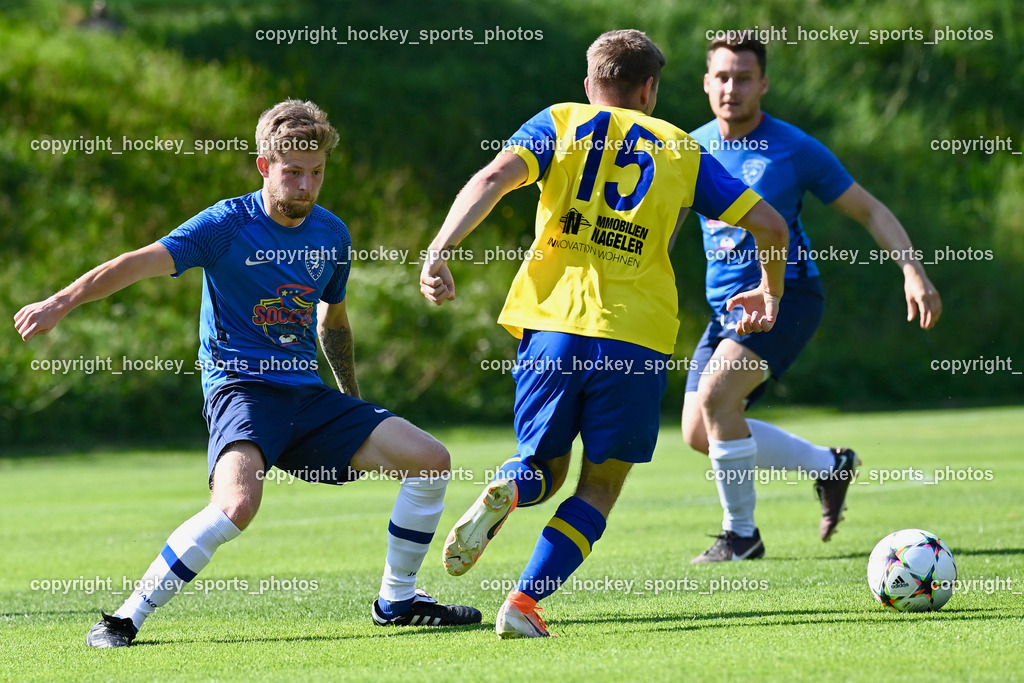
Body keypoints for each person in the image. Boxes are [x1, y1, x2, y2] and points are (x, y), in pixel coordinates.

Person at [14, 99, 480, 648]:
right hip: (243, 390)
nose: (306, 185)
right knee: (236, 505)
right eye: (293, 173)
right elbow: (135, 263)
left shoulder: (332, 233)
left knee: (430, 462)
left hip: (307, 395)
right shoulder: (225, 225)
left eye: (317, 173)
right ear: (264, 166)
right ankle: (124, 617)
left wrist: (353, 403)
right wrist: (61, 302)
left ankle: (397, 601)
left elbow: (334, 320)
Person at [419, 29, 788, 637]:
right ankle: (524, 604)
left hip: (550, 326)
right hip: (634, 338)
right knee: (601, 483)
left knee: (543, 468)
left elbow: (490, 179)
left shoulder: (559, 121)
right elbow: (771, 227)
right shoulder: (679, 148)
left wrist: (439, 250)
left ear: (590, 86)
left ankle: (513, 486)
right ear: (650, 90)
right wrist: (769, 293)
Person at [681, 34, 942, 563]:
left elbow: (870, 210)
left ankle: (741, 537)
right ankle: (828, 465)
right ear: (707, 83)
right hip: (725, 309)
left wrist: (913, 272)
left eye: (744, 77)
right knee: (699, 433)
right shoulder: (687, 147)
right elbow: (664, 225)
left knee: (716, 400)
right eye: (723, 77)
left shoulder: (793, 148)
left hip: (787, 296)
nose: (732, 88)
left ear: (764, 84)